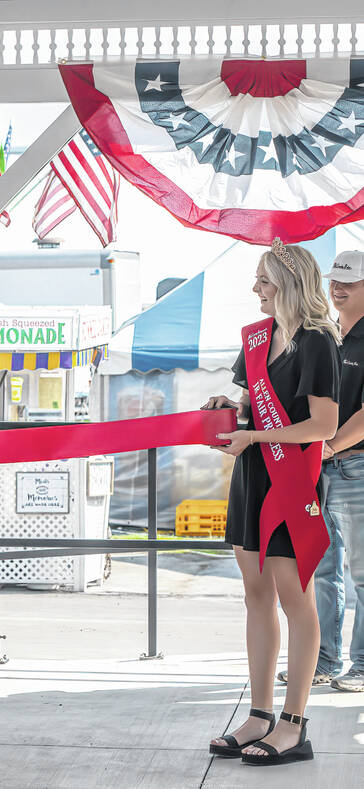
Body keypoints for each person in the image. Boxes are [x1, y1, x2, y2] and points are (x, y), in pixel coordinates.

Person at [205, 242, 340, 765]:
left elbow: (323, 427)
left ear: (288, 282)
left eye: (263, 280)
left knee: (295, 599)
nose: (255, 288)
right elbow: (250, 404)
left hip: (291, 485)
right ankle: (259, 715)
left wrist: (255, 439)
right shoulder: (258, 337)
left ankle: (293, 723)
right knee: (255, 595)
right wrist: (227, 407)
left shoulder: (317, 341)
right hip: (251, 479)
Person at [300, 250, 364, 692]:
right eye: (334, 280)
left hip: (353, 465)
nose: (337, 288)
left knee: (361, 572)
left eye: (350, 282)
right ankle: (323, 661)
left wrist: (332, 446)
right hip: (320, 465)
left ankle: (360, 665)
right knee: (322, 570)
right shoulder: (323, 334)